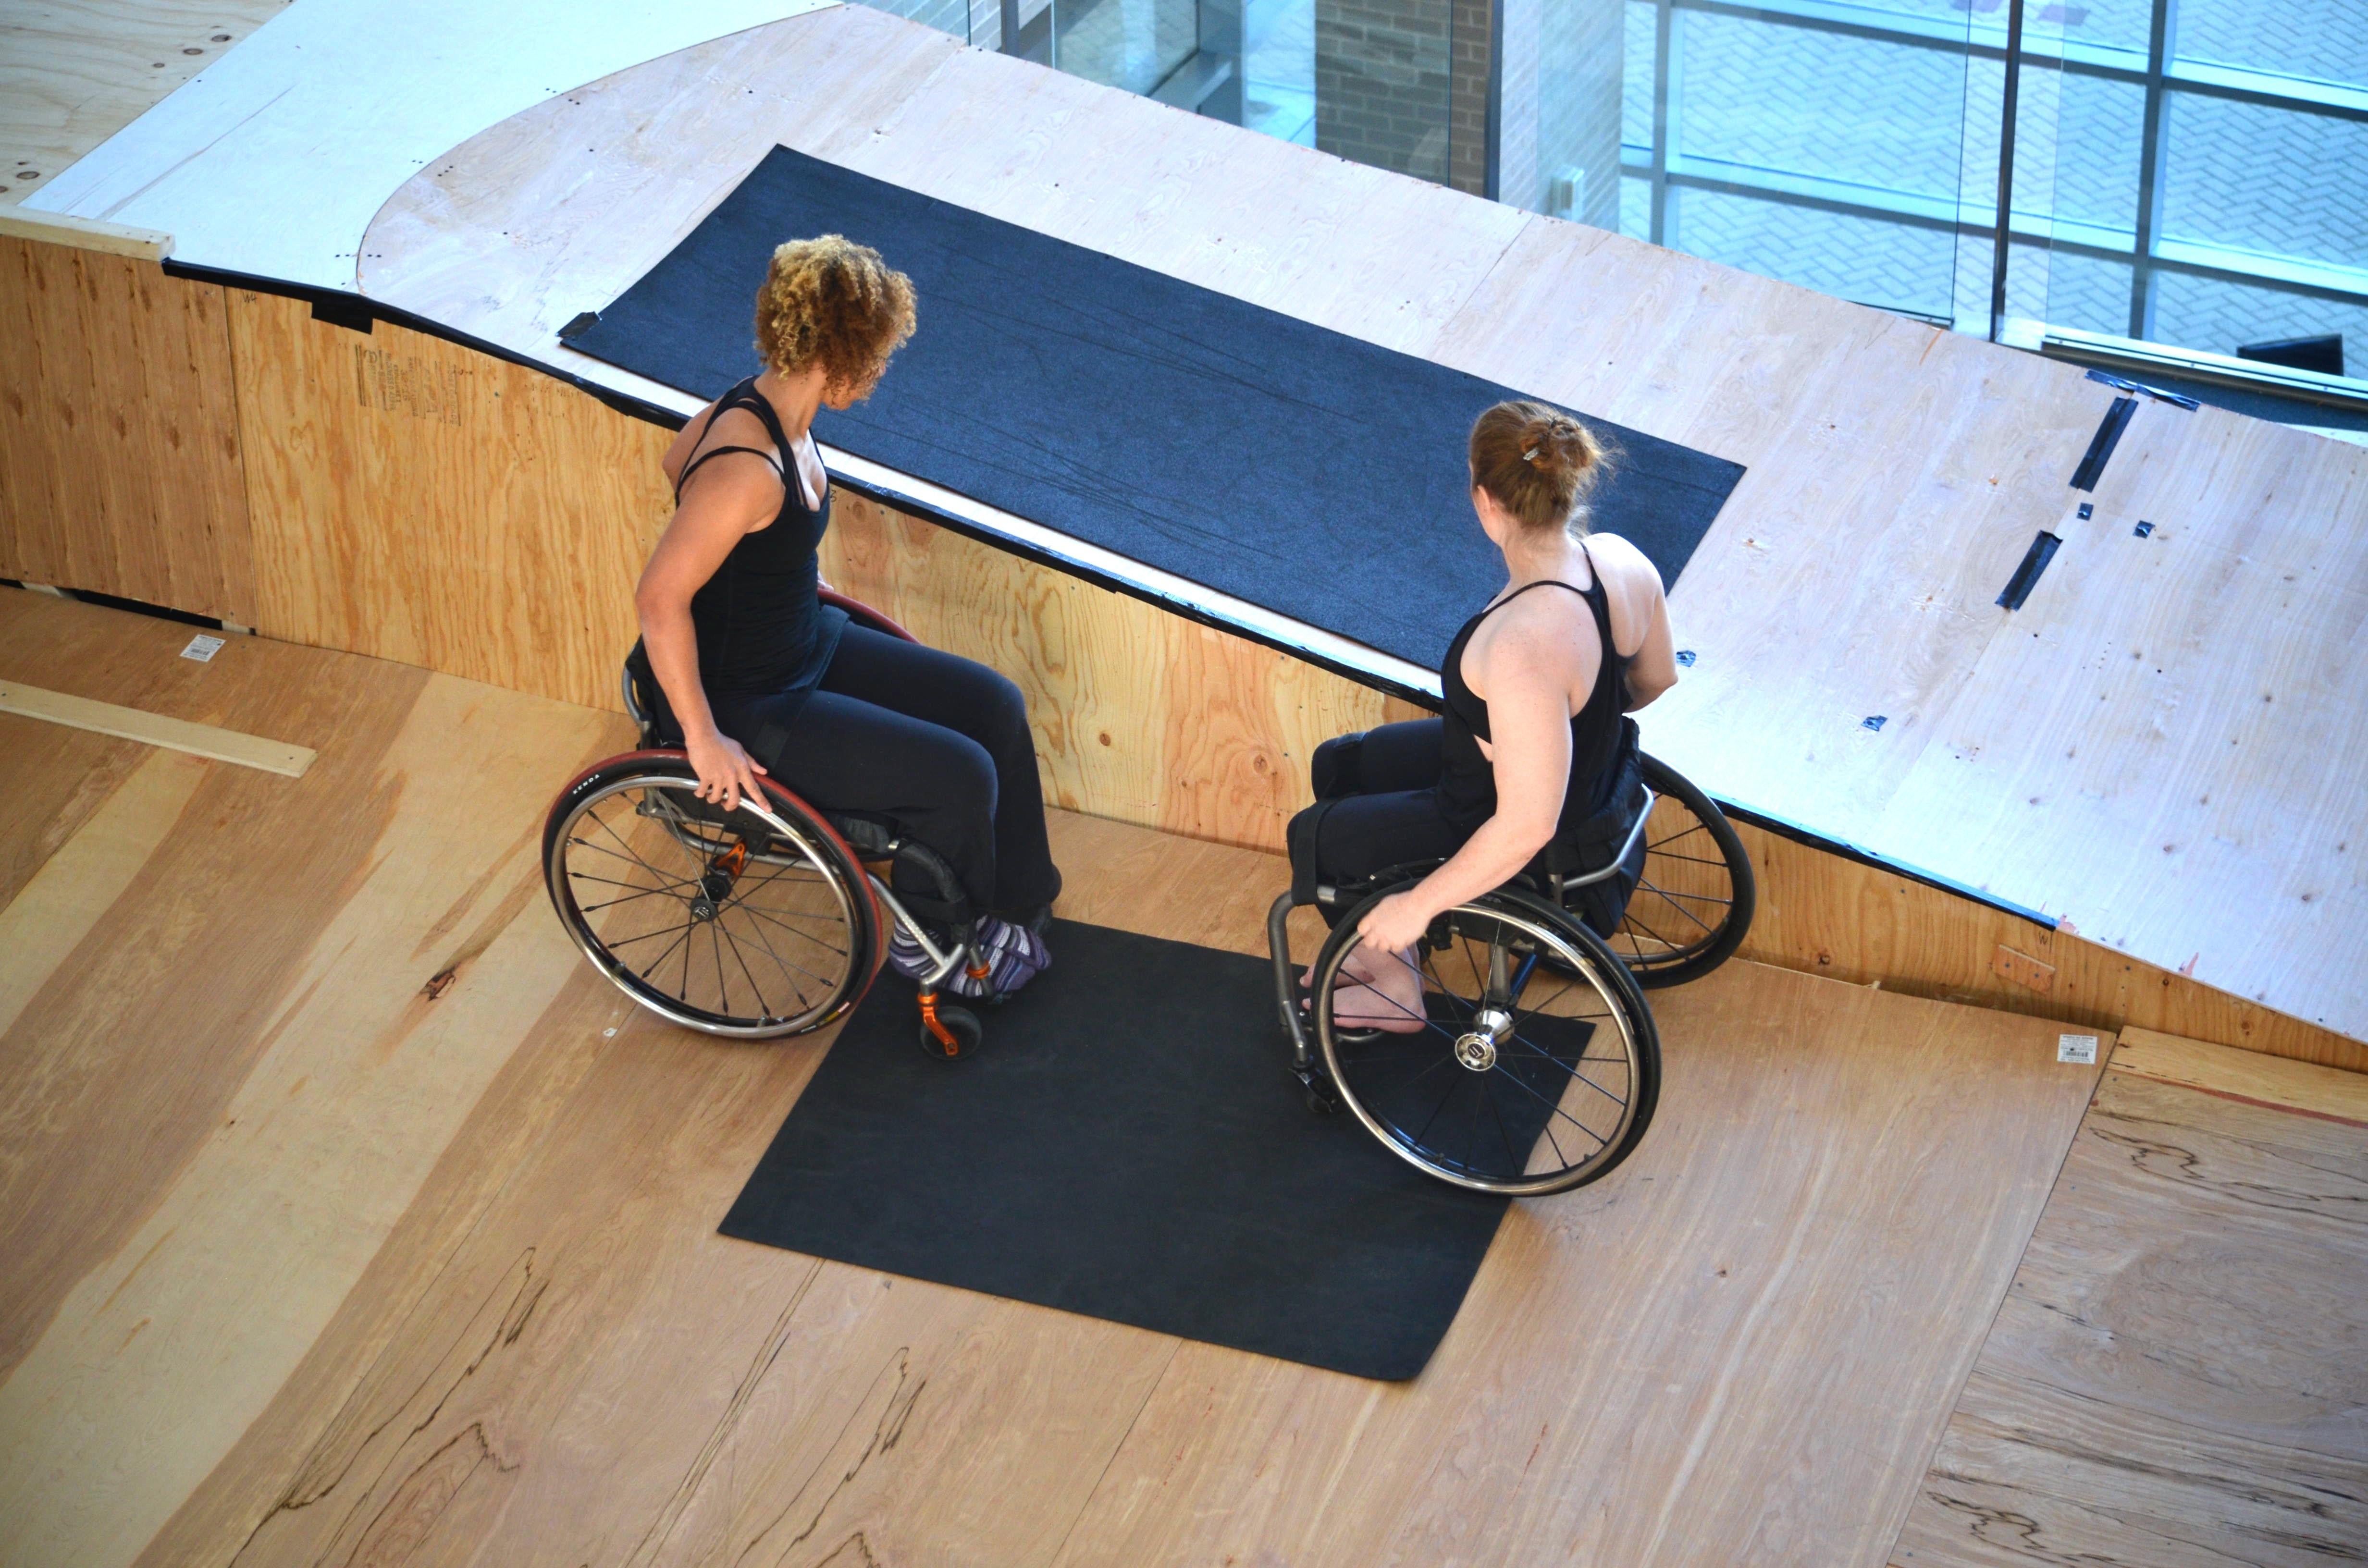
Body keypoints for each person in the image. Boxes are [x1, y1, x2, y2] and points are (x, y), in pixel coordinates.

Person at [633, 235, 1060, 996]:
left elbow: (680, 470)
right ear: (847, 353)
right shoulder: (746, 470)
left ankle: (1017, 906)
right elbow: (659, 599)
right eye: (880, 356)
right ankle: (934, 948)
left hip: (802, 641)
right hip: (748, 699)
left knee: (993, 705)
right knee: (957, 775)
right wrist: (704, 739)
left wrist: (777, 576)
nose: (881, 372)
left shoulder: (760, 407)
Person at [1285, 400, 1679, 1029]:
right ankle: (1388, 950)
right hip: (1590, 783)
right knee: (1341, 766)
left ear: (1484, 501)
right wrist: (1574, 730)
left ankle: (1397, 990)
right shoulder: (1619, 562)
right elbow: (1656, 677)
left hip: (1515, 821)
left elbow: (1526, 825)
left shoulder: (1525, 641)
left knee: (1316, 836)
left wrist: (1417, 905)